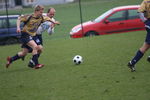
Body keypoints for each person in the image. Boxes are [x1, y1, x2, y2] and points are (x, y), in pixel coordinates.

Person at [6, 5, 56, 69]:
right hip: (26, 34)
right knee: (36, 47)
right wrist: (18, 27)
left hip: (33, 35)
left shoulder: (42, 17)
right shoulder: (30, 16)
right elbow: (19, 18)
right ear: (36, 11)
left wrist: (54, 23)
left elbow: (48, 20)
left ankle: (10, 59)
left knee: (24, 53)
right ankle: (36, 64)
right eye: (40, 12)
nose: (41, 13)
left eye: (53, 14)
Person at [127, 0, 150, 72]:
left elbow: (140, 11)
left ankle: (132, 63)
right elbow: (140, 11)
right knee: (146, 46)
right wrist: (145, 21)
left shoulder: (145, 1)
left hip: (148, 24)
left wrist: (145, 22)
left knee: (146, 46)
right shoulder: (146, 1)